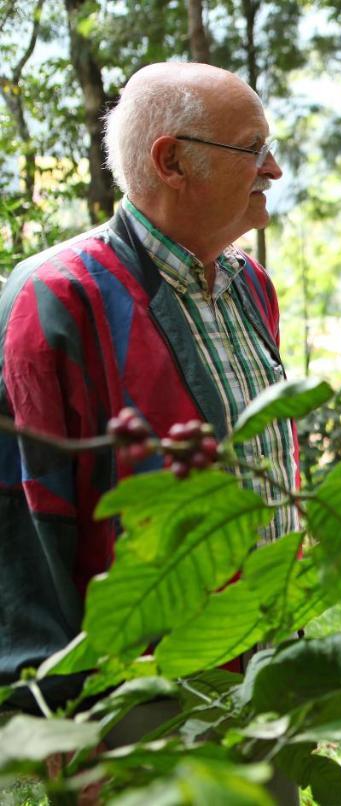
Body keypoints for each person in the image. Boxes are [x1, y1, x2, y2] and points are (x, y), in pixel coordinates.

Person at [0, 63, 295, 710]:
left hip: (263, 672)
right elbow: (22, 518)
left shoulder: (250, 287)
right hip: (139, 696)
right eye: (253, 149)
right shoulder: (54, 298)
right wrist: (49, 702)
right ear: (172, 163)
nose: (272, 170)